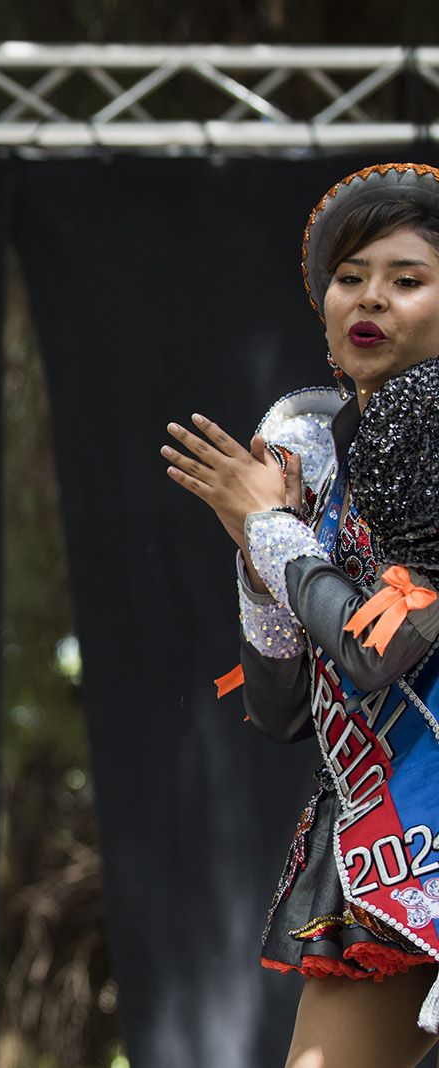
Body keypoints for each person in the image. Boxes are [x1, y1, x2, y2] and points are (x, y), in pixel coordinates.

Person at [164, 163, 439, 1067]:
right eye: (349, 277)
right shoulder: (317, 448)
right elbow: (282, 708)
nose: (371, 299)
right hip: (382, 828)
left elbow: (380, 650)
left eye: (407, 279)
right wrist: (257, 556)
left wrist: (269, 530)